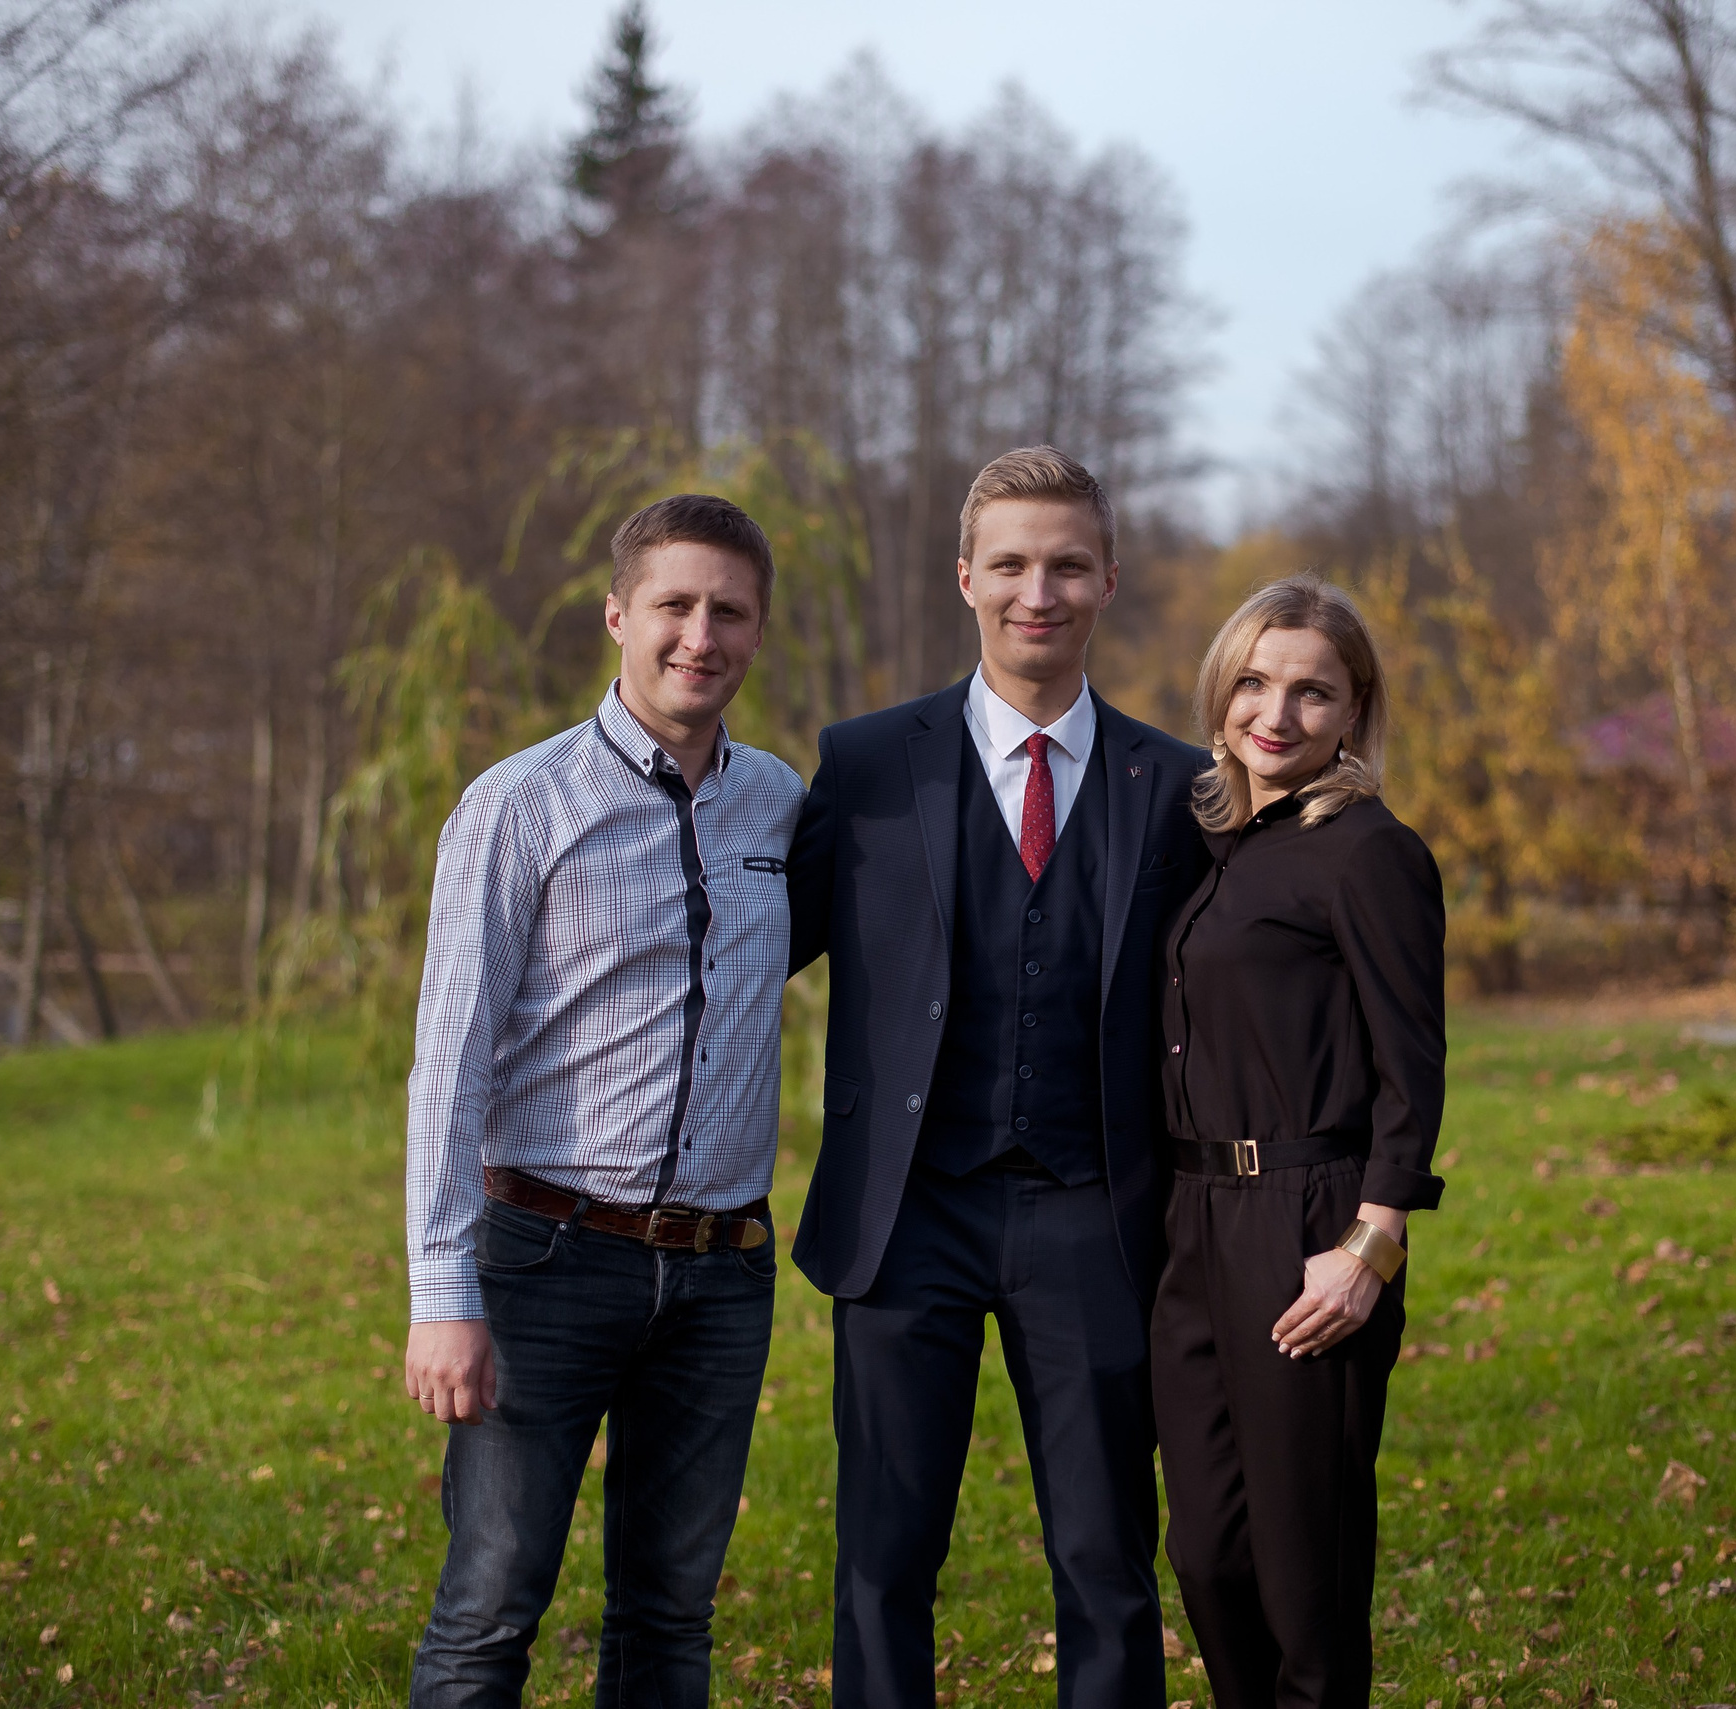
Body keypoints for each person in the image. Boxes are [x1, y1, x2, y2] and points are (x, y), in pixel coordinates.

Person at [787, 445, 1212, 1709]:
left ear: (1108, 579)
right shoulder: (869, 761)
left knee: (1105, 1557)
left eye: (1068, 564)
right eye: (1013, 563)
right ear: (965, 575)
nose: (1040, 590)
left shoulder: (1177, 785)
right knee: (883, 1556)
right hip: (903, 1208)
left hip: (1092, 1209)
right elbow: (754, 947)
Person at [402, 494, 805, 1708]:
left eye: (729, 611)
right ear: (619, 614)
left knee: (670, 1615)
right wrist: (441, 1293)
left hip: (721, 1273)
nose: (701, 635)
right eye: (675, 604)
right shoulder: (519, 804)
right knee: (489, 1608)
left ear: (758, 629)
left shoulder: (779, 804)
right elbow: (449, 1060)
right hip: (546, 1258)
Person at [1151, 574, 1445, 1709]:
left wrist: (1371, 1245)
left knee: (1301, 1574)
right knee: (1207, 1555)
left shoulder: (1367, 851)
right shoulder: (1216, 839)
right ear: (1221, 691)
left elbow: (1410, 1065)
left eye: (1312, 692)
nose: (1275, 713)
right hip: (1193, 1224)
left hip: (1308, 1218)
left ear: (1354, 709)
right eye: (1255, 682)